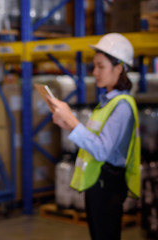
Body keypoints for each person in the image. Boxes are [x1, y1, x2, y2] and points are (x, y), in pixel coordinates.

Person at [47, 33, 141, 240]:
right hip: (99, 183)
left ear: (119, 68)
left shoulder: (122, 106)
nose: (95, 72)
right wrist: (67, 124)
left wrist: (71, 120)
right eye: (94, 66)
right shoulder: (107, 102)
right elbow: (92, 138)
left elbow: (101, 149)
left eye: (101, 66)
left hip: (108, 183)